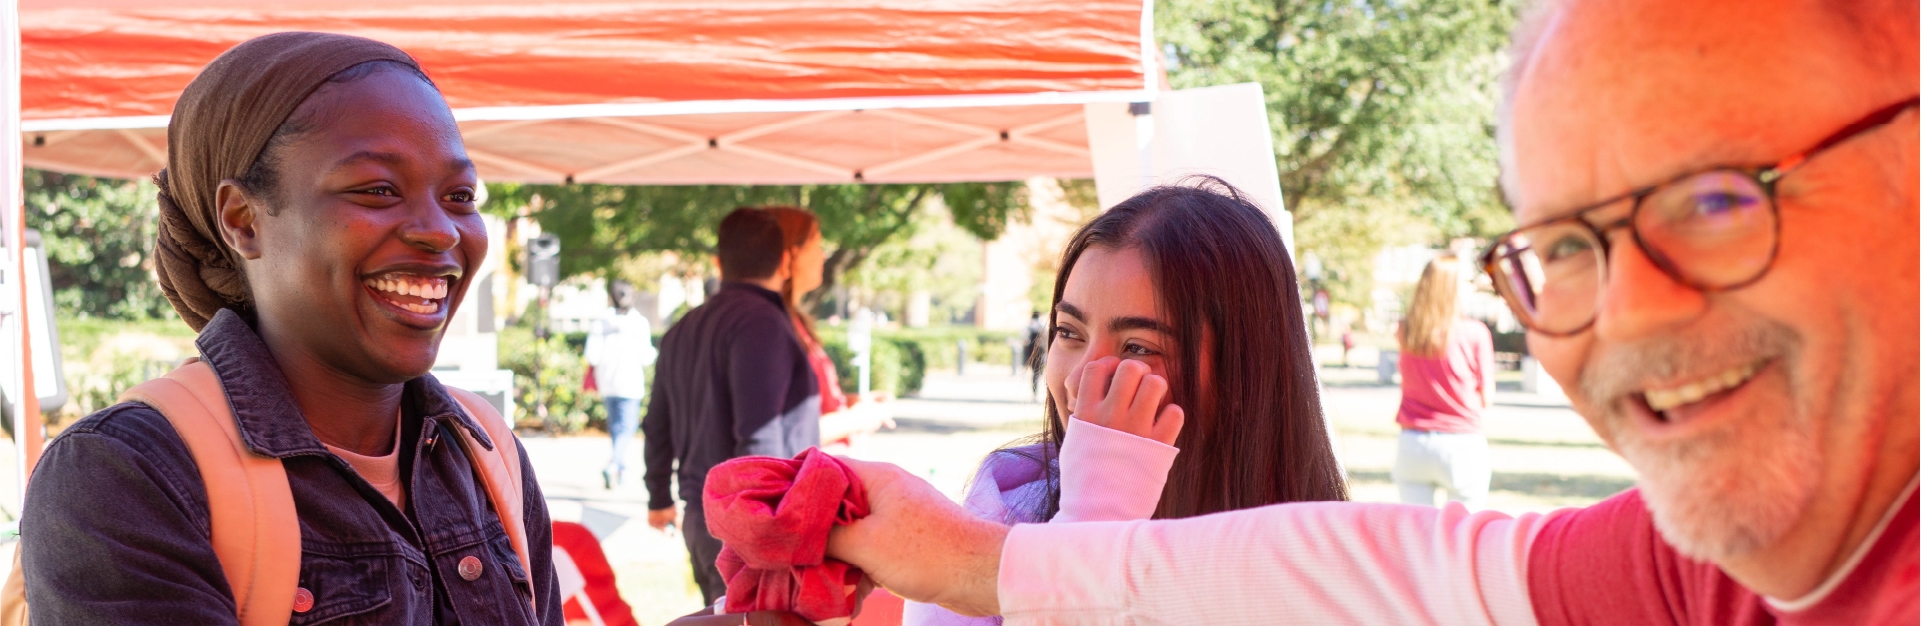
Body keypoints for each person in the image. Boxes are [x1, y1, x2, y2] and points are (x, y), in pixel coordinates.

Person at [820, 0, 1920, 622]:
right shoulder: (1692, 571)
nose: (1625, 315)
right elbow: (1386, 568)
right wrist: (961, 555)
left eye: (1714, 201)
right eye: (1565, 245)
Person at [18, 32, 563, 624]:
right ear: (243, 221)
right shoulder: (126, 474)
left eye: (460, 195)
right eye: (378, 189)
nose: (441, 232)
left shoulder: (483, 450)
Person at [904, 179, 1349, 625]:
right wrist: (1092, 518)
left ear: (1245, 371)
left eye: (1138, 348)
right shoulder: (986, 538)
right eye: (1069, 333)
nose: (1080, 380)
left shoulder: (1327, 563)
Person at [642, 207, 822, 604]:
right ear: (786, 261)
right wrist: (769, 538)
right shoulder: (764, 324)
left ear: (720, 263)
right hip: (748, 533)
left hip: (705, 521)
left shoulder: (681, 329)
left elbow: (657, 425)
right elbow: (760, 438)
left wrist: (658, 496)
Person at [761, 206, 893, 450]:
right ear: (790, 255)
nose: (823, 255)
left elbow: (807, 409)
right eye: (816, 245)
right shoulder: (773, 329)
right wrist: (856, 419)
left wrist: (851, 403)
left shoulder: (794, 321)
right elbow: (784, 432)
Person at [1393, 254, 1496, 510]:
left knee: (1418, 537)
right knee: (1464, 537)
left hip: (1413, 443)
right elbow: (1487, 398)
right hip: (1460, 444)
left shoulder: (1406, 330)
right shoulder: (1474, 333)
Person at [585, 279, 657, 489]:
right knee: (628, 427)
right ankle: (614, 464)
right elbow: (646, 357)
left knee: (617, 427)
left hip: (607, 382)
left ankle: (621, 470)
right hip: (630, 383)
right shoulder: (639, 323)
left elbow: (592, 356)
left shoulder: (600, 322)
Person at [1021, 310, 1045, 398]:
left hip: (1029, 352)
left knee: (1033, 372)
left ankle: (1034, 391)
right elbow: (1045, 339)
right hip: (1039, 352)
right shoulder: (1041, 326)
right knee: (1037, 372)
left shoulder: (1028, 326)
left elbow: (1024, 339)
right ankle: (1036, 391)